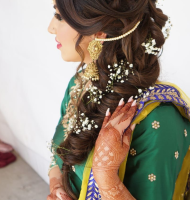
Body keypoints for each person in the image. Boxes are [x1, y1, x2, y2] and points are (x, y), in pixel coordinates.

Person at [47, 0, 190, 199]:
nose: (50, 28)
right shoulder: (80, 84)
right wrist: (56, 185)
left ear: (99, 31)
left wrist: (106, 175)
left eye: (60, 17)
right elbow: (59, 150)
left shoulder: (158, 118)